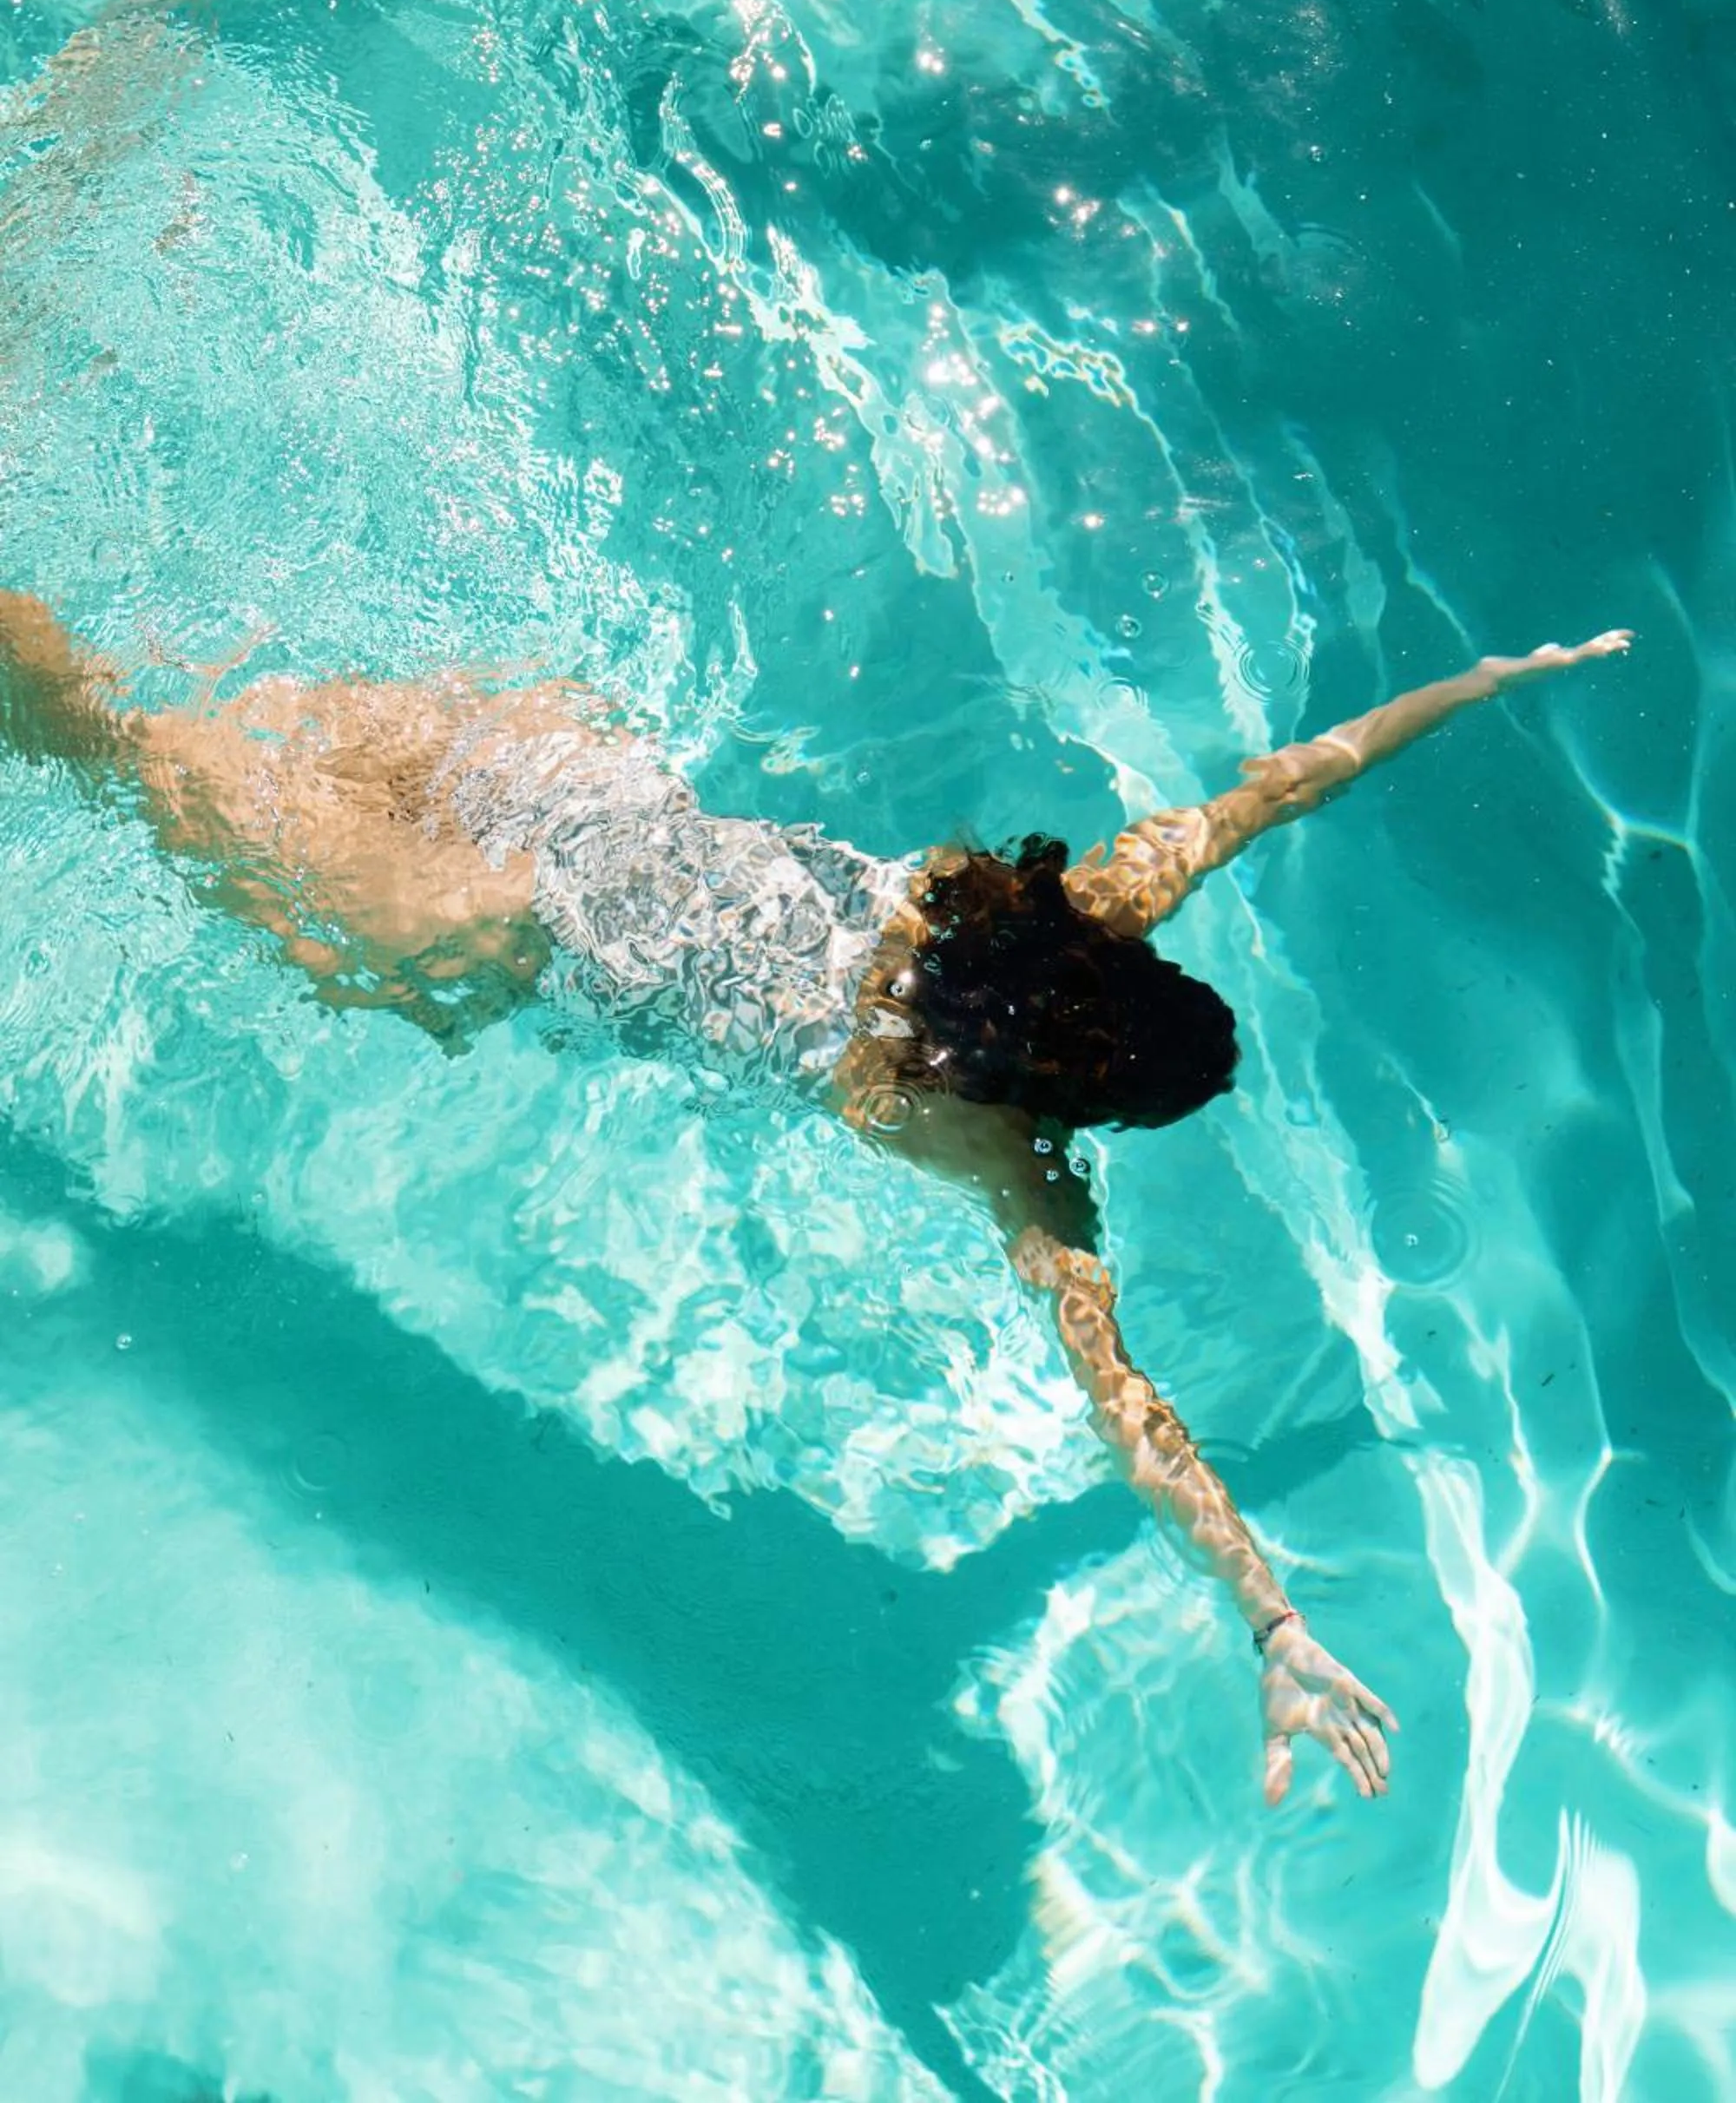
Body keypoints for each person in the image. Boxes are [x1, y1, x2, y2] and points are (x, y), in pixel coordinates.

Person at [0, 595, 1632, 1798]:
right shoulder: (1016, 1161)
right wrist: (1271, 1618)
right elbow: (1125, 1402)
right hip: (493, 929)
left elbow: (1281, 783)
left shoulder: (1084, 897)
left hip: (565, 779)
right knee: (100, 739)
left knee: (173, 694)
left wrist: (1497, 672)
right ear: (1083, 1101)